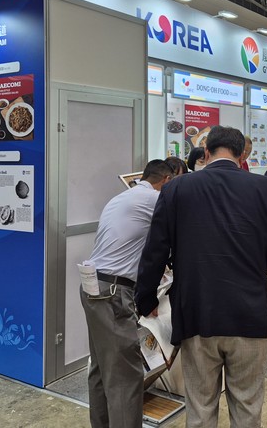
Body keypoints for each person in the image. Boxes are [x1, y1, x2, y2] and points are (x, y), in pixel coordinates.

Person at [136, 126, 267, 428]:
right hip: (249, 312)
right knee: (247, 407)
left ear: (206, 152)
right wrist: (253, 264)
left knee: (200, 407)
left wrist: (145, 299)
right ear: (242, 154)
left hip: (197, 311)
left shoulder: (177, 188)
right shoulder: (263, 187)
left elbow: (155, 249)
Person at [80, 159, 174, 428]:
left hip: (93, 286)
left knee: (101, 368)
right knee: (125, 376)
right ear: (166, 181)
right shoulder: (154, 199)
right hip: (113, 293)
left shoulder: (122, 197)